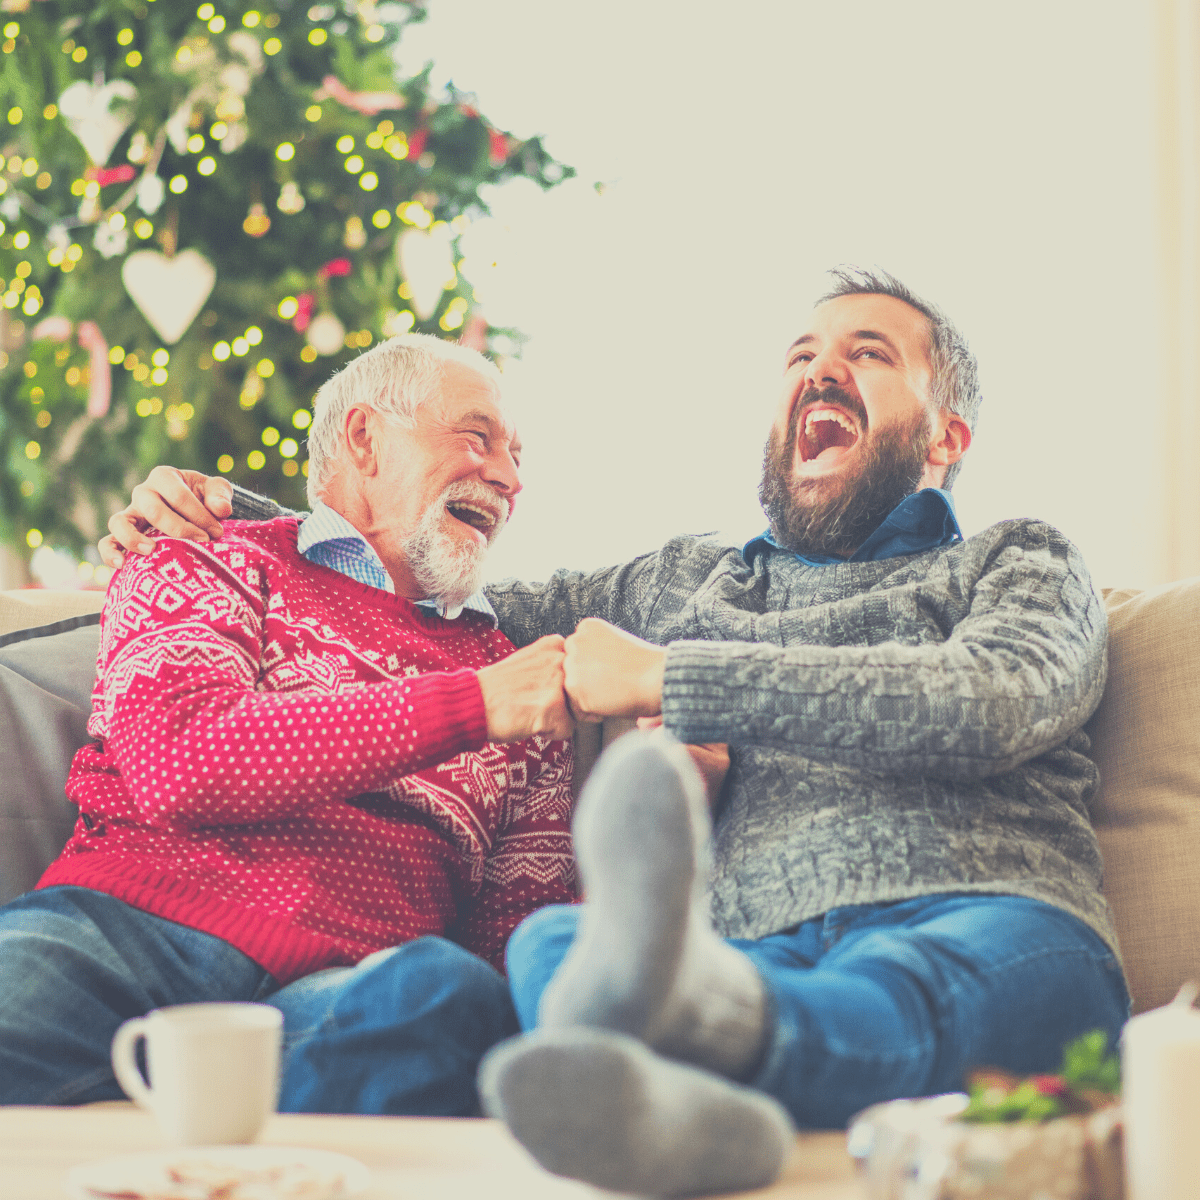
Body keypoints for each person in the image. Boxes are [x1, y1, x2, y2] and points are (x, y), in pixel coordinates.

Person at [105, 269, 1128, 1198]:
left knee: (914, 988)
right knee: (556, 941)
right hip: (739, 952)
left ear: (946, 436)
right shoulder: (679, 581)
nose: (822, 371)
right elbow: (425, 585)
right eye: (801, 358)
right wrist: (231, 517)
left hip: (981, 913)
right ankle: (707, 1101)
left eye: (867, 353)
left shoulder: (1016, 557)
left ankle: (695, 1062)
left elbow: (994, 697)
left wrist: (676, 678)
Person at [0, 332, 584, 1116]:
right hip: (126, 929)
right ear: (365, 437)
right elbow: (181, 763)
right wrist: (472, 705)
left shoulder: (522, 680)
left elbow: (518, 939)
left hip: (342, 994)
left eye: (517, 457)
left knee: (445, 999)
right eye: (477, 438)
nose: (509, 478)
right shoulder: (206, 556)